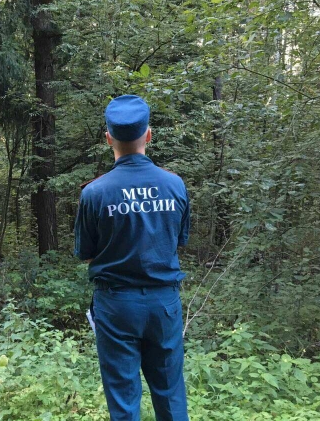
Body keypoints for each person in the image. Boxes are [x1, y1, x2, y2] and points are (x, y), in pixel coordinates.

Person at [74, 94, 190, 421]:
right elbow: (177, 241)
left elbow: (85, 253)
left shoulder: (94, 193)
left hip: (116, 306)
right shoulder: (175, 185)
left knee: (124, 401)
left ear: (108, 138)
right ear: (149, 135)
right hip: (164, 305)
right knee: (171, 394)